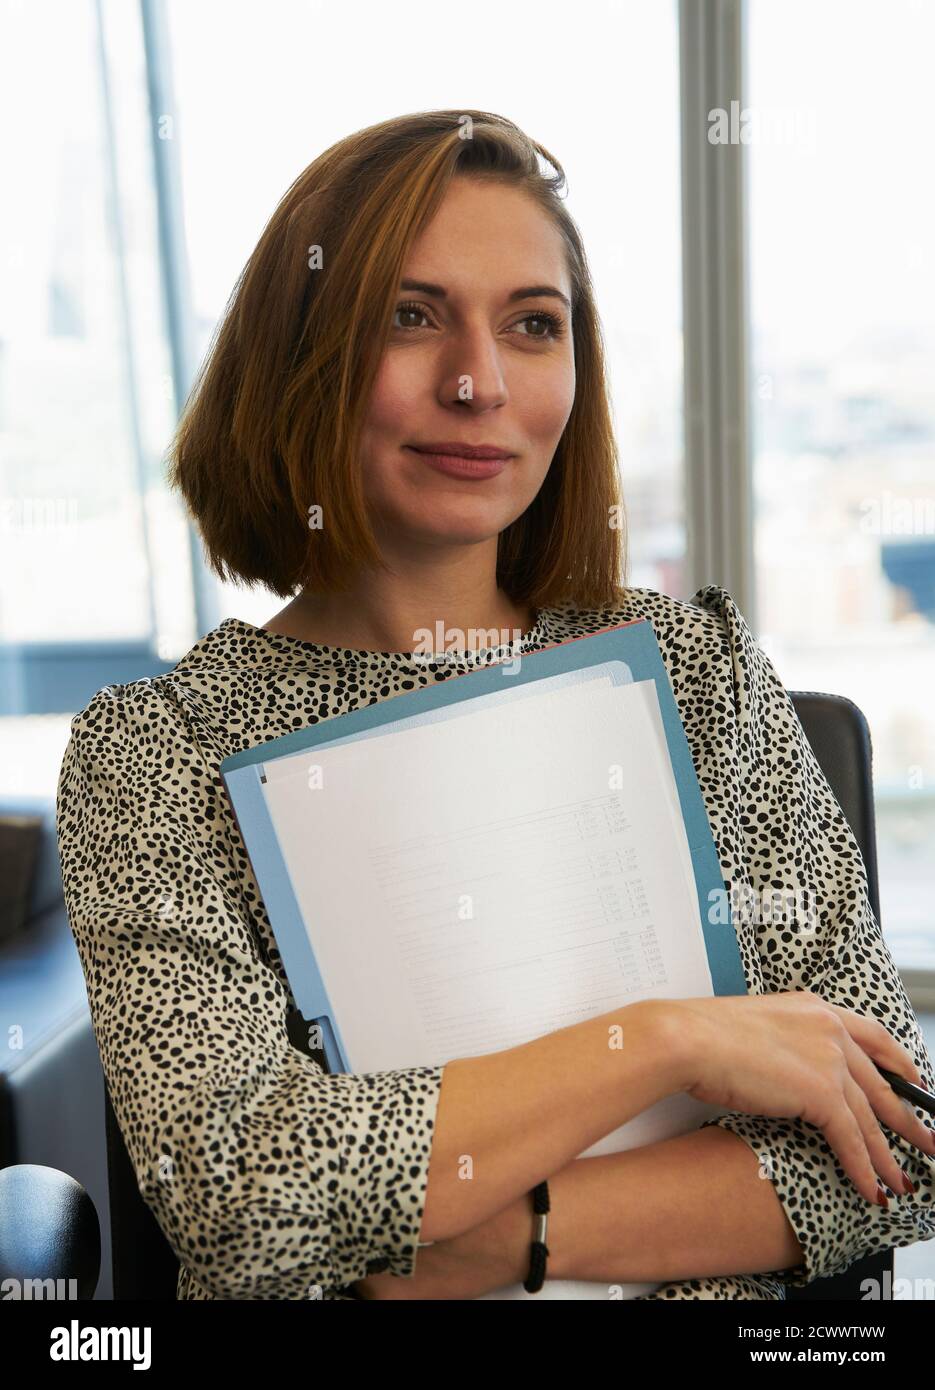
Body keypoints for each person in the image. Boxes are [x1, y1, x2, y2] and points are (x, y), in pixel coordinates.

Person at [56, 110, 935, 1302]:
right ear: (297, 357)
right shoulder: (155, 752)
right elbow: (245, 1200)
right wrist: (666, 1038)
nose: (478, 383)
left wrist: (497, 1236)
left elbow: (896, 1146)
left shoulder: (691, 668)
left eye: (532, 325)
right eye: (411, 318)